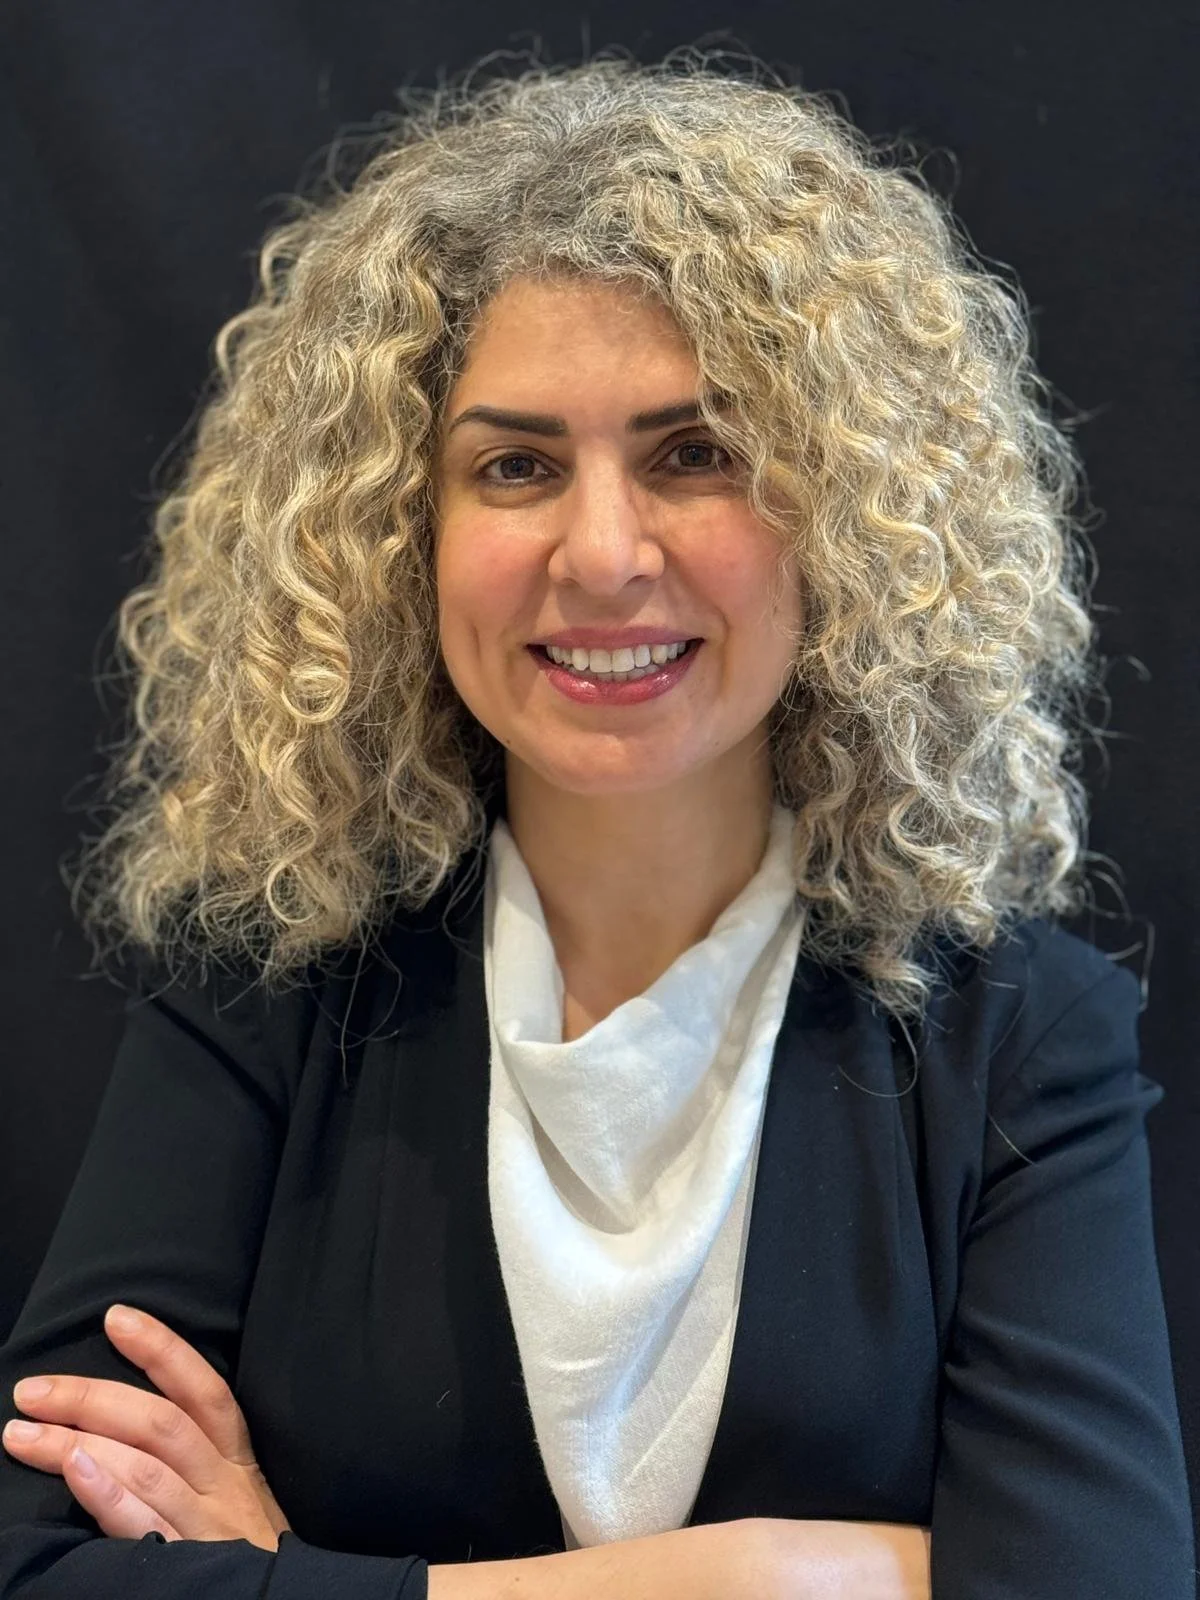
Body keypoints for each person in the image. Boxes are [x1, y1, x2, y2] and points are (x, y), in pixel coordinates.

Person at [0, 46, 1193, 1600]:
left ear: (842, 518)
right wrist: (785, 1580)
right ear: (399, 534)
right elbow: (37, 1571)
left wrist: (296, 1577)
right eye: (515, 466)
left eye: (696, 454)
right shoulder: (267, 992)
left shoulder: (1016, 1038)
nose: (604, 554)